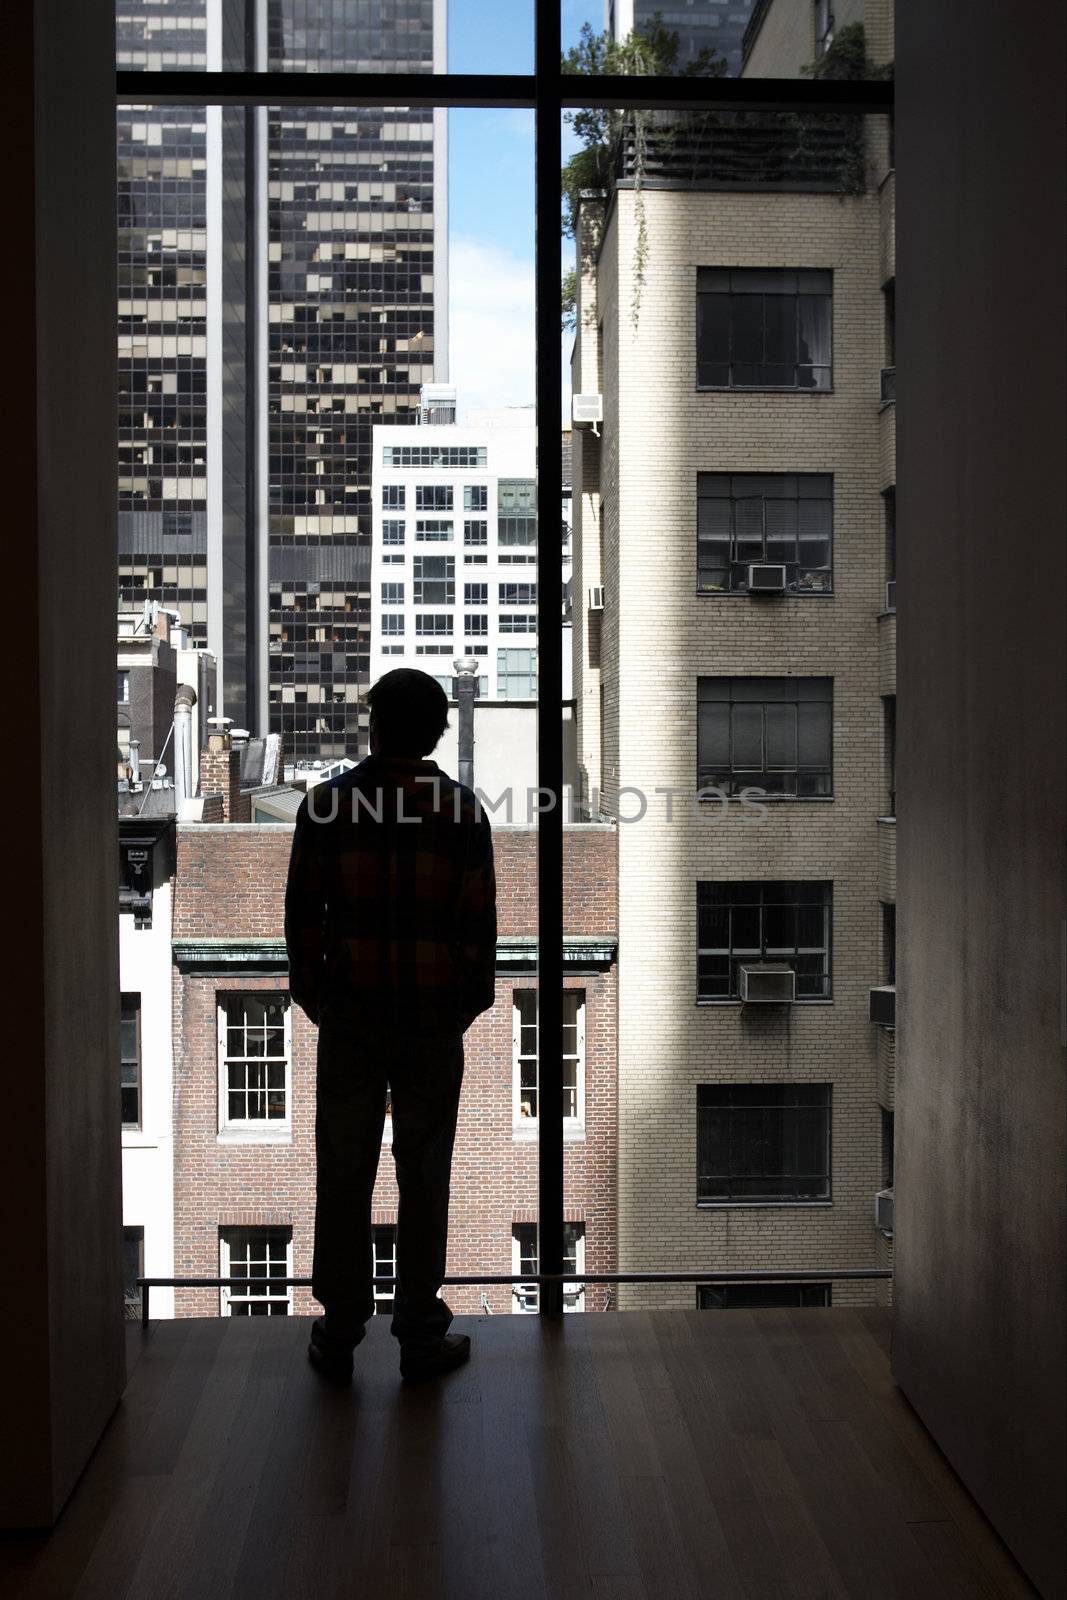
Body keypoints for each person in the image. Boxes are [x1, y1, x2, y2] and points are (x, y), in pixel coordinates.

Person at [284, 669, 497, 1383]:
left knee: (343, 1173)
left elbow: (301, 924)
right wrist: (458, 1006)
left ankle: (340, 1329)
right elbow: (478, 930)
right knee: (425, 1173)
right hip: (432, 1021)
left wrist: (322, 999)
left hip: (351, 1018)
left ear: (372, 725)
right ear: (437, 730)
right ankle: (416, 1335)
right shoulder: (461, 812)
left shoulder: (325, 806)